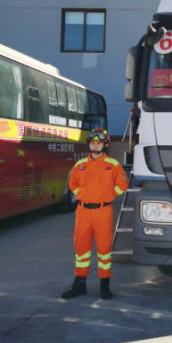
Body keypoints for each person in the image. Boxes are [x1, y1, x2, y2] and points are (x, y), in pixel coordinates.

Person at [61, 128, 129, 300]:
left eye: (99, 143)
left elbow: (123, 186)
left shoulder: (113, 164)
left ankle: (104, 285)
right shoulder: (80, 165)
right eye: (92, 142)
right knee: (81, 249)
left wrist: (108, 196)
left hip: (103, 212)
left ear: (106, 144)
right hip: (83, 212)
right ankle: (79, 283)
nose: (95, 145)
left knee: (104, 249)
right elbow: (73, 184)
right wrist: (83, 195)